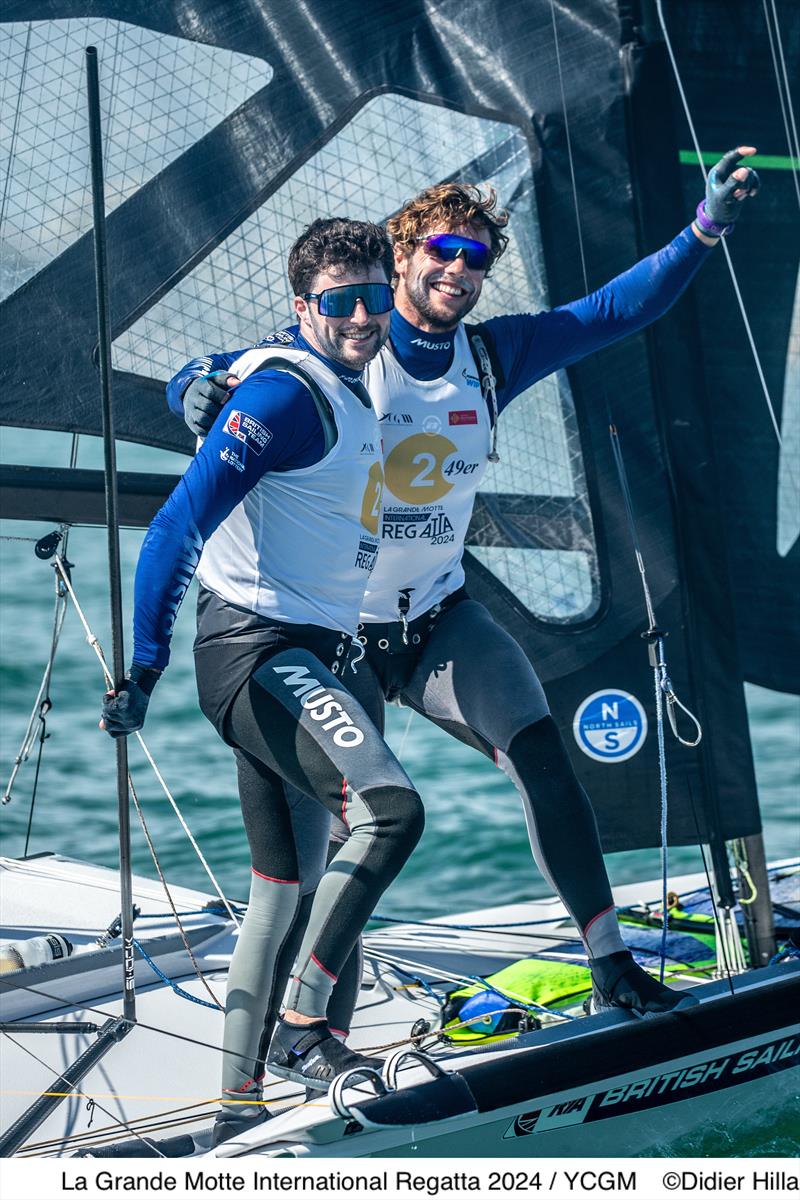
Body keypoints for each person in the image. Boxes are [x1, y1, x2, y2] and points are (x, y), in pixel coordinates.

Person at [168, 147, 759, 1088]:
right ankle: (298, 1052)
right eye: (442, 247)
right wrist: (187, 391)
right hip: (332, 640)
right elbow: (213, 378)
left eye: (478, 257)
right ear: (400, 256)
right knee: (323, 855)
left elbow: (615, 310)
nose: (459, 269)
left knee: (540, 752)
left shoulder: (492, 355)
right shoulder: (344, 345)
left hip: (439, 622)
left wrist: (706, 228)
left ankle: (611, 963)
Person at [101, 218, 428, 1146]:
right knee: (390, 813)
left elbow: (208, 364)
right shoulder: (287, 394)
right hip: (258, 652)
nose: (363, 316)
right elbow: (174, 527)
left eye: (374, 296)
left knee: (290, 887)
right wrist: (146, 667)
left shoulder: (309, 362)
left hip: (321, 654)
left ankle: (232, 1110)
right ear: (303, 307)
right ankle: (303, 1024)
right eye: (340, 302)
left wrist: (183, 382)